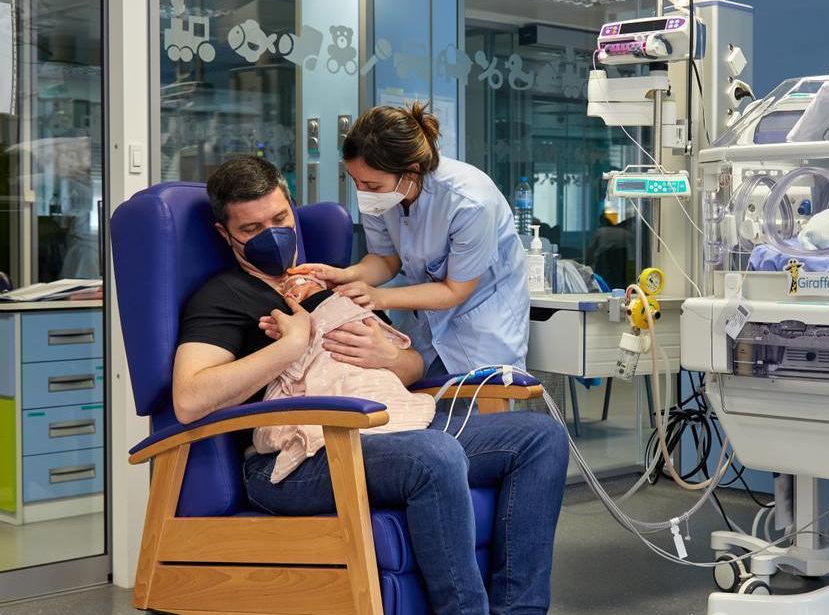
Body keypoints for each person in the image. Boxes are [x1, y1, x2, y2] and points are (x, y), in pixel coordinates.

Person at [172, 155, 568, 615]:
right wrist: (291, 345)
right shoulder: (222, 297)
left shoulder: (333, 284)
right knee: (433, 455)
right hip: (300, 460)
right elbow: (189, 400)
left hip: (390, 428)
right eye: (252, 229)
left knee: (540, 437)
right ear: (225, 234)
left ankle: (519, 611)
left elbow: (412, 367)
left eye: (280, 219)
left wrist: (393, 358)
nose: (272, 235)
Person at [291, 103, 529, 376]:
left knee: (474, 400)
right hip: (424, 326)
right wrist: (346, 275)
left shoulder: (469, 202)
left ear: (411, 172)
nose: (362, 191)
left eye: (372, 185)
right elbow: (385, 260)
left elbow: (455, 290)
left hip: (481, 329)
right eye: (355, 180)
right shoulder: (380, 196)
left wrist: (378, 297)